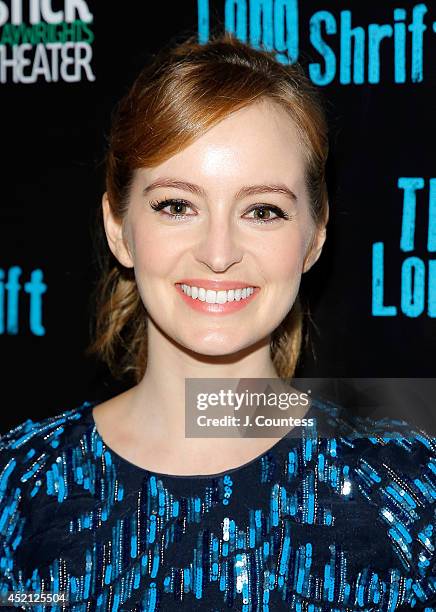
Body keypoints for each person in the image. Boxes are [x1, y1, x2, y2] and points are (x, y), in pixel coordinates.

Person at [0, 32, 435, 612]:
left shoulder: (410, 489)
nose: (219, 251)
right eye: (177, 205)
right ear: (117, 226)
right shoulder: (17, 488)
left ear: (315, 237)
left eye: (262, 210)